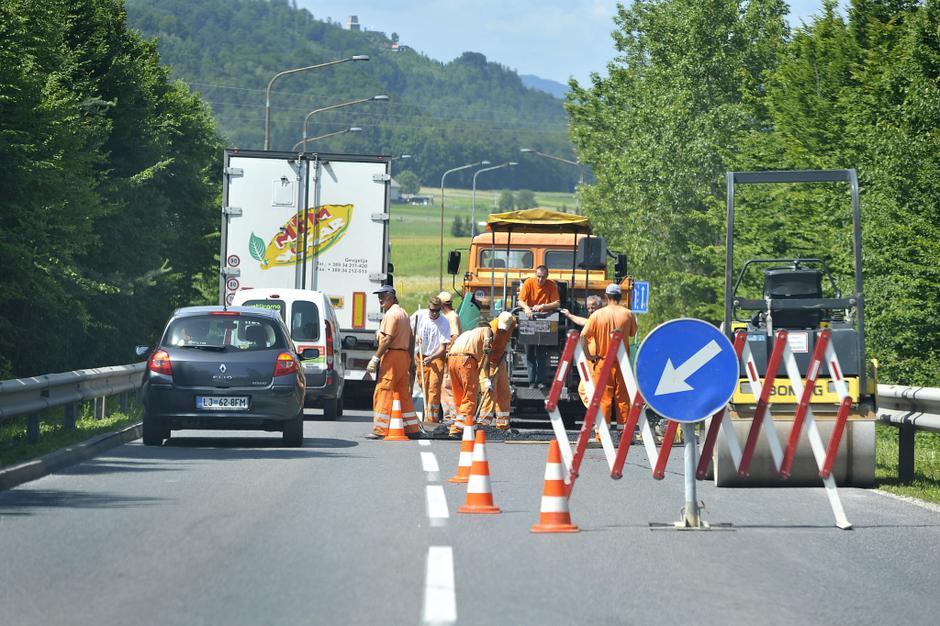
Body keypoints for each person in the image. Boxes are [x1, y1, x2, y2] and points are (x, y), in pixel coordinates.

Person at [580, 283, 638, 431]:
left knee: (603, 399)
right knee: (623, 399)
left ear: (606, 297)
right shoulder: (628, 314)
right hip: (622, 363)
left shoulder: (597, 315)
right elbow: (633, 333)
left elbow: (582, 336)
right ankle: (624, 432)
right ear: (620, 296)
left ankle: (602, 433)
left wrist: (588, 355)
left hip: (602, 362)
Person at [366, 285, 420, 438]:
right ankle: (411, 428)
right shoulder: (403, 313)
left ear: (391, 297)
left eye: (383, 297)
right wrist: (411, 359)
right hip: (403, 357)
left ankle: (380, 429)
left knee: (384, 390)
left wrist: (375, 358)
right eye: (379, 297)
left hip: (392, 356)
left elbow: (387, 339)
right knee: (402, 393)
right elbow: (411, 338)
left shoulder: (391, 314)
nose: (380, 300)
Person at [446, 322, 494, 437]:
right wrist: (487, 342)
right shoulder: (486, 330)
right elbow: (487, 338)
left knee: (460, 396)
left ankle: (468, 424)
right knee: (469, 395)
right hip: (466, 361)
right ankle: (458, 428)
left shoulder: (467, 333)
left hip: (452, 360)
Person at [517, 264, 560, 389]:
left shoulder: (551, 285)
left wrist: (543, 306)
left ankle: (541, 382)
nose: (540, 279)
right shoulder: (529, 283)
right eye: (538, 276)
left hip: (544, 321)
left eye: (543, 277)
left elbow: (557, 303)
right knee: (529, 353)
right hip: (529, 320)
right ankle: (531, 382)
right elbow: (520, 301)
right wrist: (526, 308)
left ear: (547, 276)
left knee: (541, 353)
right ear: (535, 275)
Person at [410, 297, 451, 424]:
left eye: (437, 311)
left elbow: (443, 348)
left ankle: (432, 419)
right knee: (424, 385)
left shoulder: (444, 322)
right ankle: (426, 413)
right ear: (428, 308)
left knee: (434, 388)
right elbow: (409, 328)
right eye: (432, 310)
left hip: (436, 358)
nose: (434, 313)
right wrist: (415, 336)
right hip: (422, 356)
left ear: (440, 309)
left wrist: (432, 357)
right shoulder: (419, 315)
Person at [561, 295, 604, 407]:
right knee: (585, 389)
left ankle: (597, 412)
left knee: (586, 389)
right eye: (588, 308)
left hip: (597, 360)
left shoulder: (600, 319)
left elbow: (583, 324)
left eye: (593, 307)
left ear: (600, 306)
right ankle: (596, 412)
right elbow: (584, 322)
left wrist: (569, 315)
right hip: (591, 360)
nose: (590, 310)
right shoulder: (595, 319)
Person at [478, 311, 516, 429]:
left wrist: (507, 344)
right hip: (487, 362)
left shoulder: (512, 321)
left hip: (500, 361)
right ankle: (483, 423)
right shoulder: (491, 329)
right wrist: (487, 378)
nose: (503, 330)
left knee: (504, 392)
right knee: (489, 392)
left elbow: (508, 335)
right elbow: (485, 356)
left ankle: (502, 424)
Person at [438, 291, 462, 426]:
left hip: (450, 356)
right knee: (445, 387)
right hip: (449, 355)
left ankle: (451, 416)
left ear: (442, 305)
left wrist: (447, 352)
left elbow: (454, 336)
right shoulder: (449, 316)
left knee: (447, 386)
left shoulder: (451, 317)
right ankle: (449, 415)